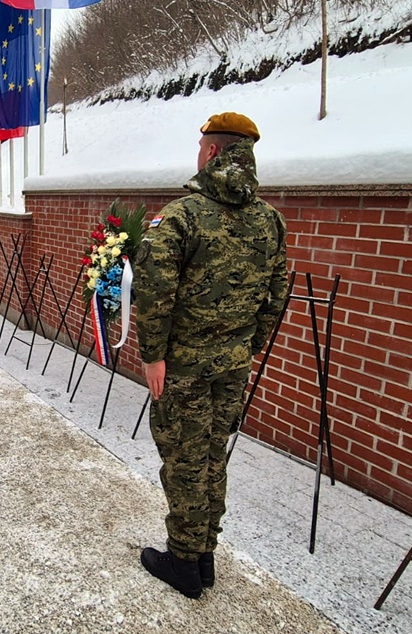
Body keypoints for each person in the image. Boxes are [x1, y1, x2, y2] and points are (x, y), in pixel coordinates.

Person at [133, 112, 288, 599]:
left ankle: (183, 560)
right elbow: (277, 294)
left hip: (184, 366)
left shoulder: (181, 216)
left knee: (185, 458)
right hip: (233, 363)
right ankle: (204, 556)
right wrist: (247, 346)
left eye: (202, 147)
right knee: (213, 455)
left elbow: (154, 291)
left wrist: (152, 356)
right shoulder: (270, 220)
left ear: (214, 151)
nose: (199, 154)